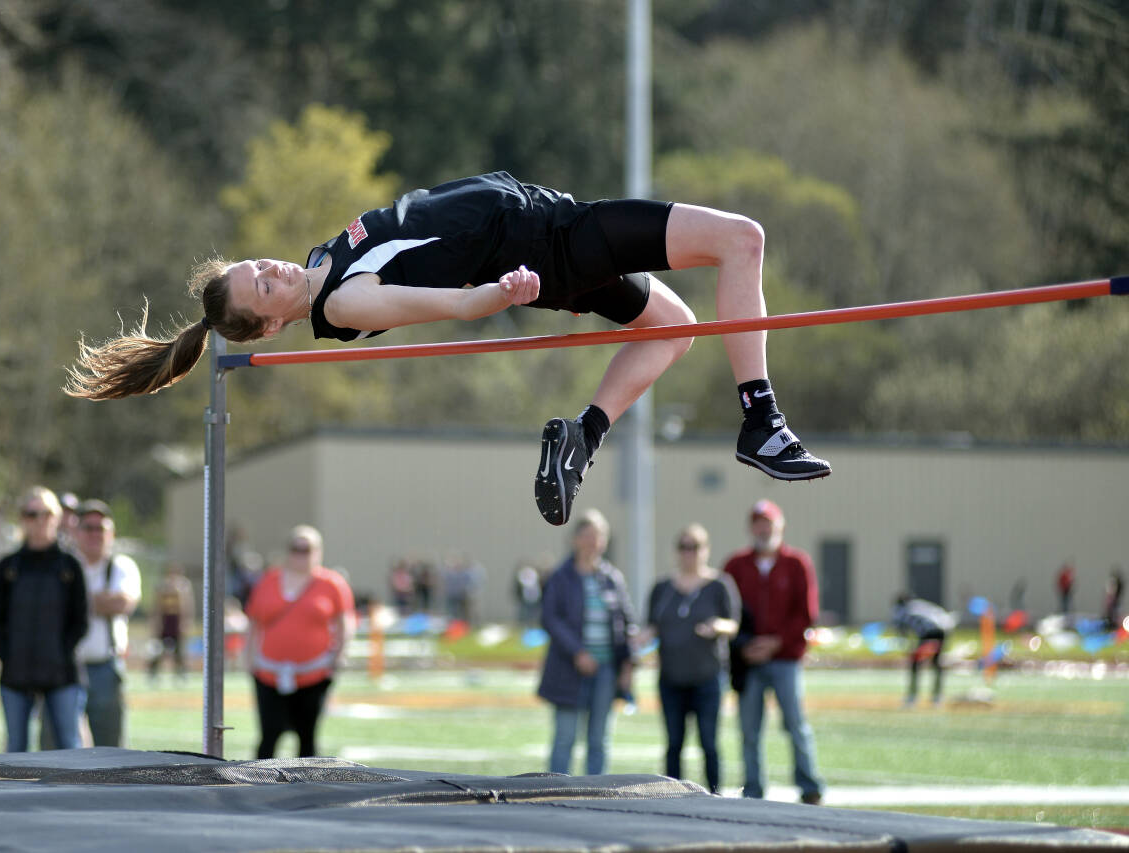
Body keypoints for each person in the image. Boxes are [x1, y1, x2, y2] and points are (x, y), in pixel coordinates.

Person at [66, 172, 831, 526]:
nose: (267, 271)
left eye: (254, 265)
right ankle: (760, 420)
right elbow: (450, 304)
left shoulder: (323, 260)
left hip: (547, 236)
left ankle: (581, 436)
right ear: (269, 328)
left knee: (674, 325)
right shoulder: (345, 299)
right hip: (555, 238)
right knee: (742, 240)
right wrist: (502, 292)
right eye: (259, 289)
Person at [724, 499, 824, 804]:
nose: (763, 528)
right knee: (749, 729)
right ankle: (753, 789)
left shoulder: (796, 563)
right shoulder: (736, 565)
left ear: (780, 526)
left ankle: (809, 785)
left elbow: (806, 612)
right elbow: (727, 610)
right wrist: (746, 645)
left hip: (785, 659)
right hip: (749, 661)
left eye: (768, 522)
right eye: (758, 522)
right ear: (750, 527)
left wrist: (776, 642)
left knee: (796, 723)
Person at [0, 486, 90, 752]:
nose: (39, 521)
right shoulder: (8, 567)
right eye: (32, 514)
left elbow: (81, 620)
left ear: (57, 518)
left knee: (70, 747)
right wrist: (9, 656)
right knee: (16, 751)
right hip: (16, 674)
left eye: (46, 513)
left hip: (62, 674)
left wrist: (61, 653)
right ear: (22, 519)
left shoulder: (70, 566)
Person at [537, 509, 636, 776]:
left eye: (599, 536)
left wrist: (628, 666)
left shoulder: (612, 578)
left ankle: (596, 796)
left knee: (599, 739)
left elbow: (627, 623)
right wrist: (578, 653)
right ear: (575, 539)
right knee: (565, 738)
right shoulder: (561, 577)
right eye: (588, 535)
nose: (594, 541)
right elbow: (550, 619)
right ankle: (554, 792)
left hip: (606, 670)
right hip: (569, 670)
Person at [642, 523, 739, 793]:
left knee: (709, 741)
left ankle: (715, 793)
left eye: (695, 547)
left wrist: (717, 626)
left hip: (707, 677)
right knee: (674, 743)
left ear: (706, 550)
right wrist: (640, 638)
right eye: (684, 547)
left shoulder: (720, 585)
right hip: (672, 677)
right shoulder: (662, 588)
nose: (689, 553)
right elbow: (652, 625)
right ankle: (673, 795)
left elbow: (733, 625)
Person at [245, 525, 354, 759]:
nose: (301, 554)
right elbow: (254, 622)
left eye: (308, 549)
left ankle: (306, 792)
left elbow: (346, 620)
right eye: (296, 548)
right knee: (268, 736)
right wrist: (249, 657)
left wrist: (340, 654)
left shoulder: (332, 583)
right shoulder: (269, 580)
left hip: (313, 673)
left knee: (307, 738)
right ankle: (255, 790)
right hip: (269, 673)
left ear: (318, 551)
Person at [72, 500, 141, 747]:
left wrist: (76, 601)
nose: (94, 534)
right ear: (76, 532)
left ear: (111, 533)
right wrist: (99, 601)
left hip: (106, 666)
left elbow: (122, 604)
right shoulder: (66, 564)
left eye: (100, 528)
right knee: (58, 747)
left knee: (110, 748)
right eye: (88, 528)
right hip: (67, 669)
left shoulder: (122, 566)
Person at [890, 591, 957, 708]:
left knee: (915, 663)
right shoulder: (921, 605)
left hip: (928, 633)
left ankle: (912, 697)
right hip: (942, 632)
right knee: (936, 663)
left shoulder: (905, 609)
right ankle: (937, 697)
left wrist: (905, 643)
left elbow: (900, 628)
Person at [149, 562, 194, 683]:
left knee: (179, 649)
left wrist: (185, 622)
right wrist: (156, 622)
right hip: (165, 619)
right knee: (158, 647)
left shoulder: (184, 586)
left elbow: (187, 605)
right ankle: (153, 672)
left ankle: (181, 673)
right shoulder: (162, 586)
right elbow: (157, 605)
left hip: (176, 619)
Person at [1104, 567, 1124, 632]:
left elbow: (1112, 592)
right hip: (1113, 601)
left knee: (1114, 613)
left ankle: (1113, 625)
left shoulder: (1115, 582)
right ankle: (1110, 625)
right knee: (1111, 613)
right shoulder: (1115, 581)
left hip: (1114, 601)